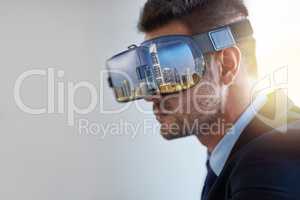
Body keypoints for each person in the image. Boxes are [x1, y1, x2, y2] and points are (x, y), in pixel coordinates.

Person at [136, 0, 300, 199]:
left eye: (170, 72)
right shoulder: (233, 149)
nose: (150, 96)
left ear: (226, 66)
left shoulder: (272, 159)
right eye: (151, 76)